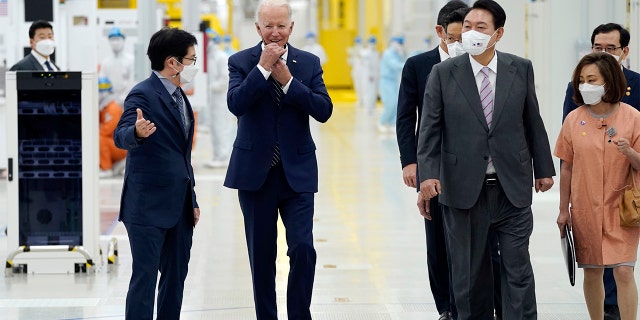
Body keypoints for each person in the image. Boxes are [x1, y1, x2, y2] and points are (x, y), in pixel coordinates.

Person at [416, 1, 556, 319]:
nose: (471, 33)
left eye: (481, 27)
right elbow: (429, 130)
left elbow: (532, 119)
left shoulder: (519, 68)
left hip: (511, 188)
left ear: (498, 34)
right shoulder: (442, 73)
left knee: (517, 271)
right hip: (463, 191)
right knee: (469, 277)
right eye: (467, 26)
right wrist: (427, 176)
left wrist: (544, 168)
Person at [223, 0, 333, 318]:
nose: (274, 33)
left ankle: (300, 313)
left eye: (281, 26)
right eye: (268, 26)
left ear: (291, 28)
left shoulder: (308, 63)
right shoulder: (241, 62)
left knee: (303, 249)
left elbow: (323, 110)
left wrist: (287, 81)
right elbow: (236, 104)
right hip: (256, 175)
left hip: (296, 173)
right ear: (257, 28)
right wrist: (262, 69)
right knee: (262, 255)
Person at [113, 27, 200, 320]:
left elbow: (181, 156)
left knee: (175, 279)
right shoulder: (143, 93)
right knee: (145, 278)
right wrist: (135, 132)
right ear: (173, 62)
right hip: (147, 207)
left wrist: (193, 199)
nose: (194, 65)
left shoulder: (181, 97)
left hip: (180, 207)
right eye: (191, 59)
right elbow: (120, 134)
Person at [561, 22, 639, 320]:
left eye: (591, 79)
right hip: (586, 204)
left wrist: (629, 151)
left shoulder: (633, 115)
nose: (585, 85)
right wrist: (562, 207)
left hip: (623, 204)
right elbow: (566, 162)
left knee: (623, 269)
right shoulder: (574, 118)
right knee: (592, 270)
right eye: (582, 80)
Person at [397, 3, 467, 319]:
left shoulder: (477, 64)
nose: (461, 42)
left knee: (475, 241)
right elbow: (405, 117)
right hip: (433, 166)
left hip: (471, 166)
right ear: (440, 32)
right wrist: (410, 162)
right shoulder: (417, 66)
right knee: (438, 240)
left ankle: (476, 303)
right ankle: (446, 308)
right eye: (454, 35)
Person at [205, 34, 235, 168]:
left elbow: (224, 80)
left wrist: (209, 87)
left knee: (223, 127)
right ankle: (217, 155)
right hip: (213, 98)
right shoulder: (210, 58)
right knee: (215, 127)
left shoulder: (221, 57)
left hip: (221, 98)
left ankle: (223, 156)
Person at [97, 77, 127, 178]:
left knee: (100, 139)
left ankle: (106, 169)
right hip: (115, 144)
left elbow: (106, 131)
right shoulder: (104, 108)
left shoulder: (112, 109)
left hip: (121, 149)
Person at [100, 27, 135, 105]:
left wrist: (123, 99)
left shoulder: (131, 60)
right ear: (109, 41)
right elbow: (102, 84)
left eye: (118, 39)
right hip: (109, 103)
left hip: (127, 101)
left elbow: (132, 83)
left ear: (123, 40)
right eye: (112, 39)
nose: (115, 42)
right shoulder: (106, 62)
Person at [377, 36, 405, 133]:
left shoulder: (397, 54)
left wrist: (402, 55)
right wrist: (408, 65)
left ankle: (393, 123)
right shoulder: (388, 54)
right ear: (393, 43)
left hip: (394, 81)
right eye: (398, 43)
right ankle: (382, 122)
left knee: (396, 103)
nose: (399, 46)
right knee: (390, 103)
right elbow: (395, 65)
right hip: (386, 82)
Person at [360, 35, 380, 114]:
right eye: (371, 43)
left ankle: (372, 106)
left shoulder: (376, 53)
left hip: (375, 75)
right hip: (367, 75)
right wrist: (370, 74)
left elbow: (377, 64)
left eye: (374, 43)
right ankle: (368, 107)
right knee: (368, 91)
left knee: (374, 91)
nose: (373, 45)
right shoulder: (365, 53)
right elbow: (366, 64)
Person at [347, 35, 364, 107]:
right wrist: (350, 56)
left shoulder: (364, 51)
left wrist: (359, 55)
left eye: (359, 43)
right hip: (355, 72)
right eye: (356, 43)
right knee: (357, 86)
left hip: (363, 72)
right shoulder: (353, 51)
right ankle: (359, 100)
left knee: (363, 87)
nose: (357, 44)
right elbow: (350, 62)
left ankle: (364, 101)